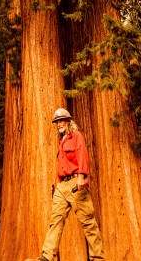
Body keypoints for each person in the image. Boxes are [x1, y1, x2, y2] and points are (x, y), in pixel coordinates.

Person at [35, 108, 105, 261]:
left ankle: (97, 257)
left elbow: (82, 154)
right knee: (56, 220)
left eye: (61, 120)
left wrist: (81, 176)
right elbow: (62, 164)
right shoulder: (61, 140)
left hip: (76, 183)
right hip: (62, 186)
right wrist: (58, 183)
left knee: (88, 222)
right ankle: (47, 256)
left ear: (68, 121)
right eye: (57, 121)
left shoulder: (76, 136)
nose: (59, 124)